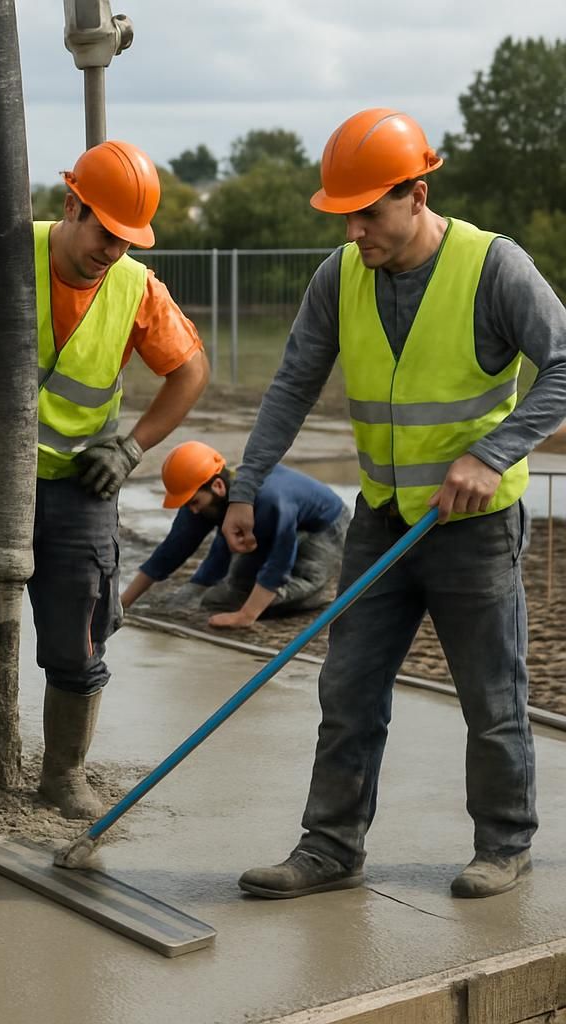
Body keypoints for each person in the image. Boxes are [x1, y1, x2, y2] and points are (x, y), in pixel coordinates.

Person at [224, 108, 566, 901]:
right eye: (344, 214)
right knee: (347, 690)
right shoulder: (339, 275)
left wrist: (491, 453)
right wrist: (245, 485)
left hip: (473, 530)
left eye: (369, 213)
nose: (354, 232)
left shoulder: (494, 267)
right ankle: (330, 848)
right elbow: (293, 384)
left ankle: (504, 844)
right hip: (380, 519)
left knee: (491, 698)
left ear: (416, 194)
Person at [0, 60, 209, 832]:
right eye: (103, 231)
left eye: (128, 241)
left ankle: (62, 776)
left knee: (79, 634)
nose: (110, 251)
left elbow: (190, 371)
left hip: (75, 490)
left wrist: (132, 449)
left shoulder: (134, 288)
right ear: (73, 205)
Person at [121, 441, 349, 628]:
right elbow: (172, 549)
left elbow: (280, 561)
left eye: (195, 502)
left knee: (264, 598)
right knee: (226, 596)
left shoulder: (269, 502)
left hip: (323, 525)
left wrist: (246, 616)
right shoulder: (204, 496)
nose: (193, 509)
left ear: (218, 486)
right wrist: (123, 603)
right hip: (273, 523)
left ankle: (318, 591)